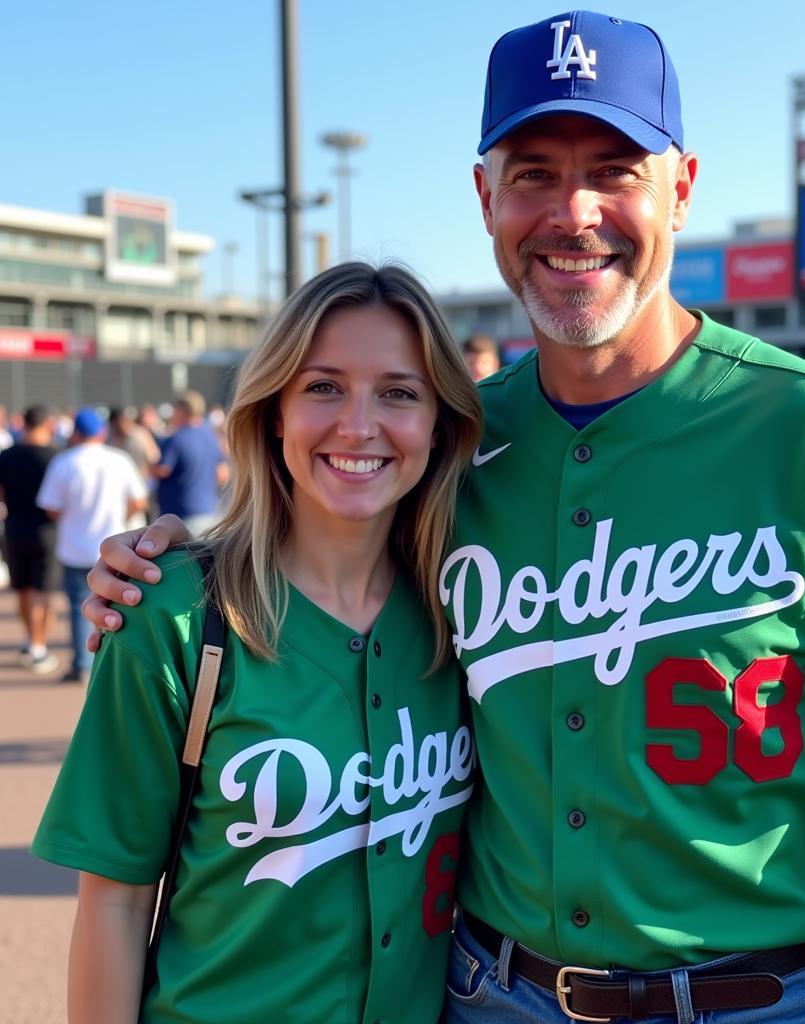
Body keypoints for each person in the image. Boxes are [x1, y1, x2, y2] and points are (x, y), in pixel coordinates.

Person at [82, 12, 805, 1024]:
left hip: (759, 1001)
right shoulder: (453, 444)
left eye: (614, 168)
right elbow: (323, 530)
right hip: (493, 996)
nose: (574, 212)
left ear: (681, 186)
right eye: (532, 173)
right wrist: (178, 555)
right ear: (485, 195)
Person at [33, 263, 484, 1023]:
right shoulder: (172, 614)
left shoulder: (469, 609)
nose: (359, 424)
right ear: (274, 410)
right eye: (323, 386)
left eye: (399, 392)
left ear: (439, 422)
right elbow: (113, 903)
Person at [35, 407, 148, 683]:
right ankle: (120, 666)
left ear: (75, 432)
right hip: (114, 547)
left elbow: (50, 507)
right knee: (120, 606)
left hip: (75, 545)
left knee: (77, 606)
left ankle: (82, 664)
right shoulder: (118, 460)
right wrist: (121, 516)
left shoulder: (64, 462)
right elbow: (139, 500)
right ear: (101, 432)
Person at [0, 404, 61, 673]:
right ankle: (38, 645)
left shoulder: (7, 455)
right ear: (48, 423)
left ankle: (31, 639)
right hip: (47, 531)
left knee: (23, 588)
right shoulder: (56, 457)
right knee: (42, 591)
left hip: (14, 528)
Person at [151, 390, 229, 533]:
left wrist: (149, 465)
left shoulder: (176, 438)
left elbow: (163, 470)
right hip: (209, 513)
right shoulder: (212, 437)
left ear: (181, 411)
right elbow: (222, 475)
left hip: (179, 517)